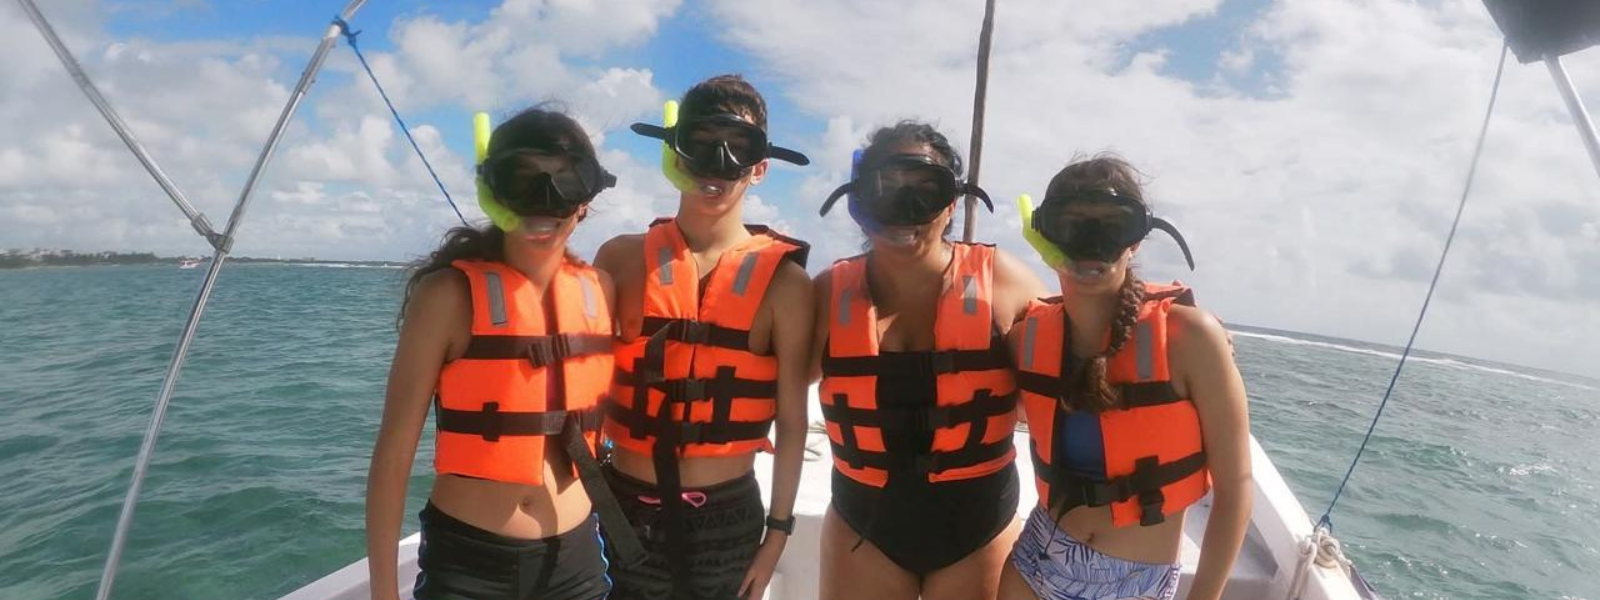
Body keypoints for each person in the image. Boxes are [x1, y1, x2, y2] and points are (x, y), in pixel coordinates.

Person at [365, 107, 639, 600]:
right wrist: (384, 591)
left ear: (586, 199)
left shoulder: (600, 290)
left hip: (574, 561)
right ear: (494, 192)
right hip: (471, 564)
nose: (544, 201)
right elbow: (393, 454)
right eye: (523, 180)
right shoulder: (447, 296)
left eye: (565, 182)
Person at [594, 74, 813, 600]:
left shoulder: (787, 286)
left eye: (739, 147)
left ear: (760, 167)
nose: (718, 163)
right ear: (676, 153)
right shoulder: (619, 259)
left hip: (726, 519)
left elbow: (793, 420)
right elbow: (584, 391)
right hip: (621, 506)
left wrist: (777, 535)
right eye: (702, 143)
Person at [810, 121, 1047, 600]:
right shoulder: (827, 295)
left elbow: (1075, 372)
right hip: (863, 531)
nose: (906, 210)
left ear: (952, 203)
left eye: (926, 190)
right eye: (887, 188)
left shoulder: (1004, 283)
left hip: (977, 530)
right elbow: (760, 374)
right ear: (860, 200)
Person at [999, 155, 1251, 600]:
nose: (1092, 245)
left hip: (1134, 583)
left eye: (1114, 226)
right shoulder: (1028, 340)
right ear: (1044, 234)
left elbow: (1235, 490)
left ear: (1135, 240)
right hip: (1032, 564)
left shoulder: (1189, 339)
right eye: (1071, 225)